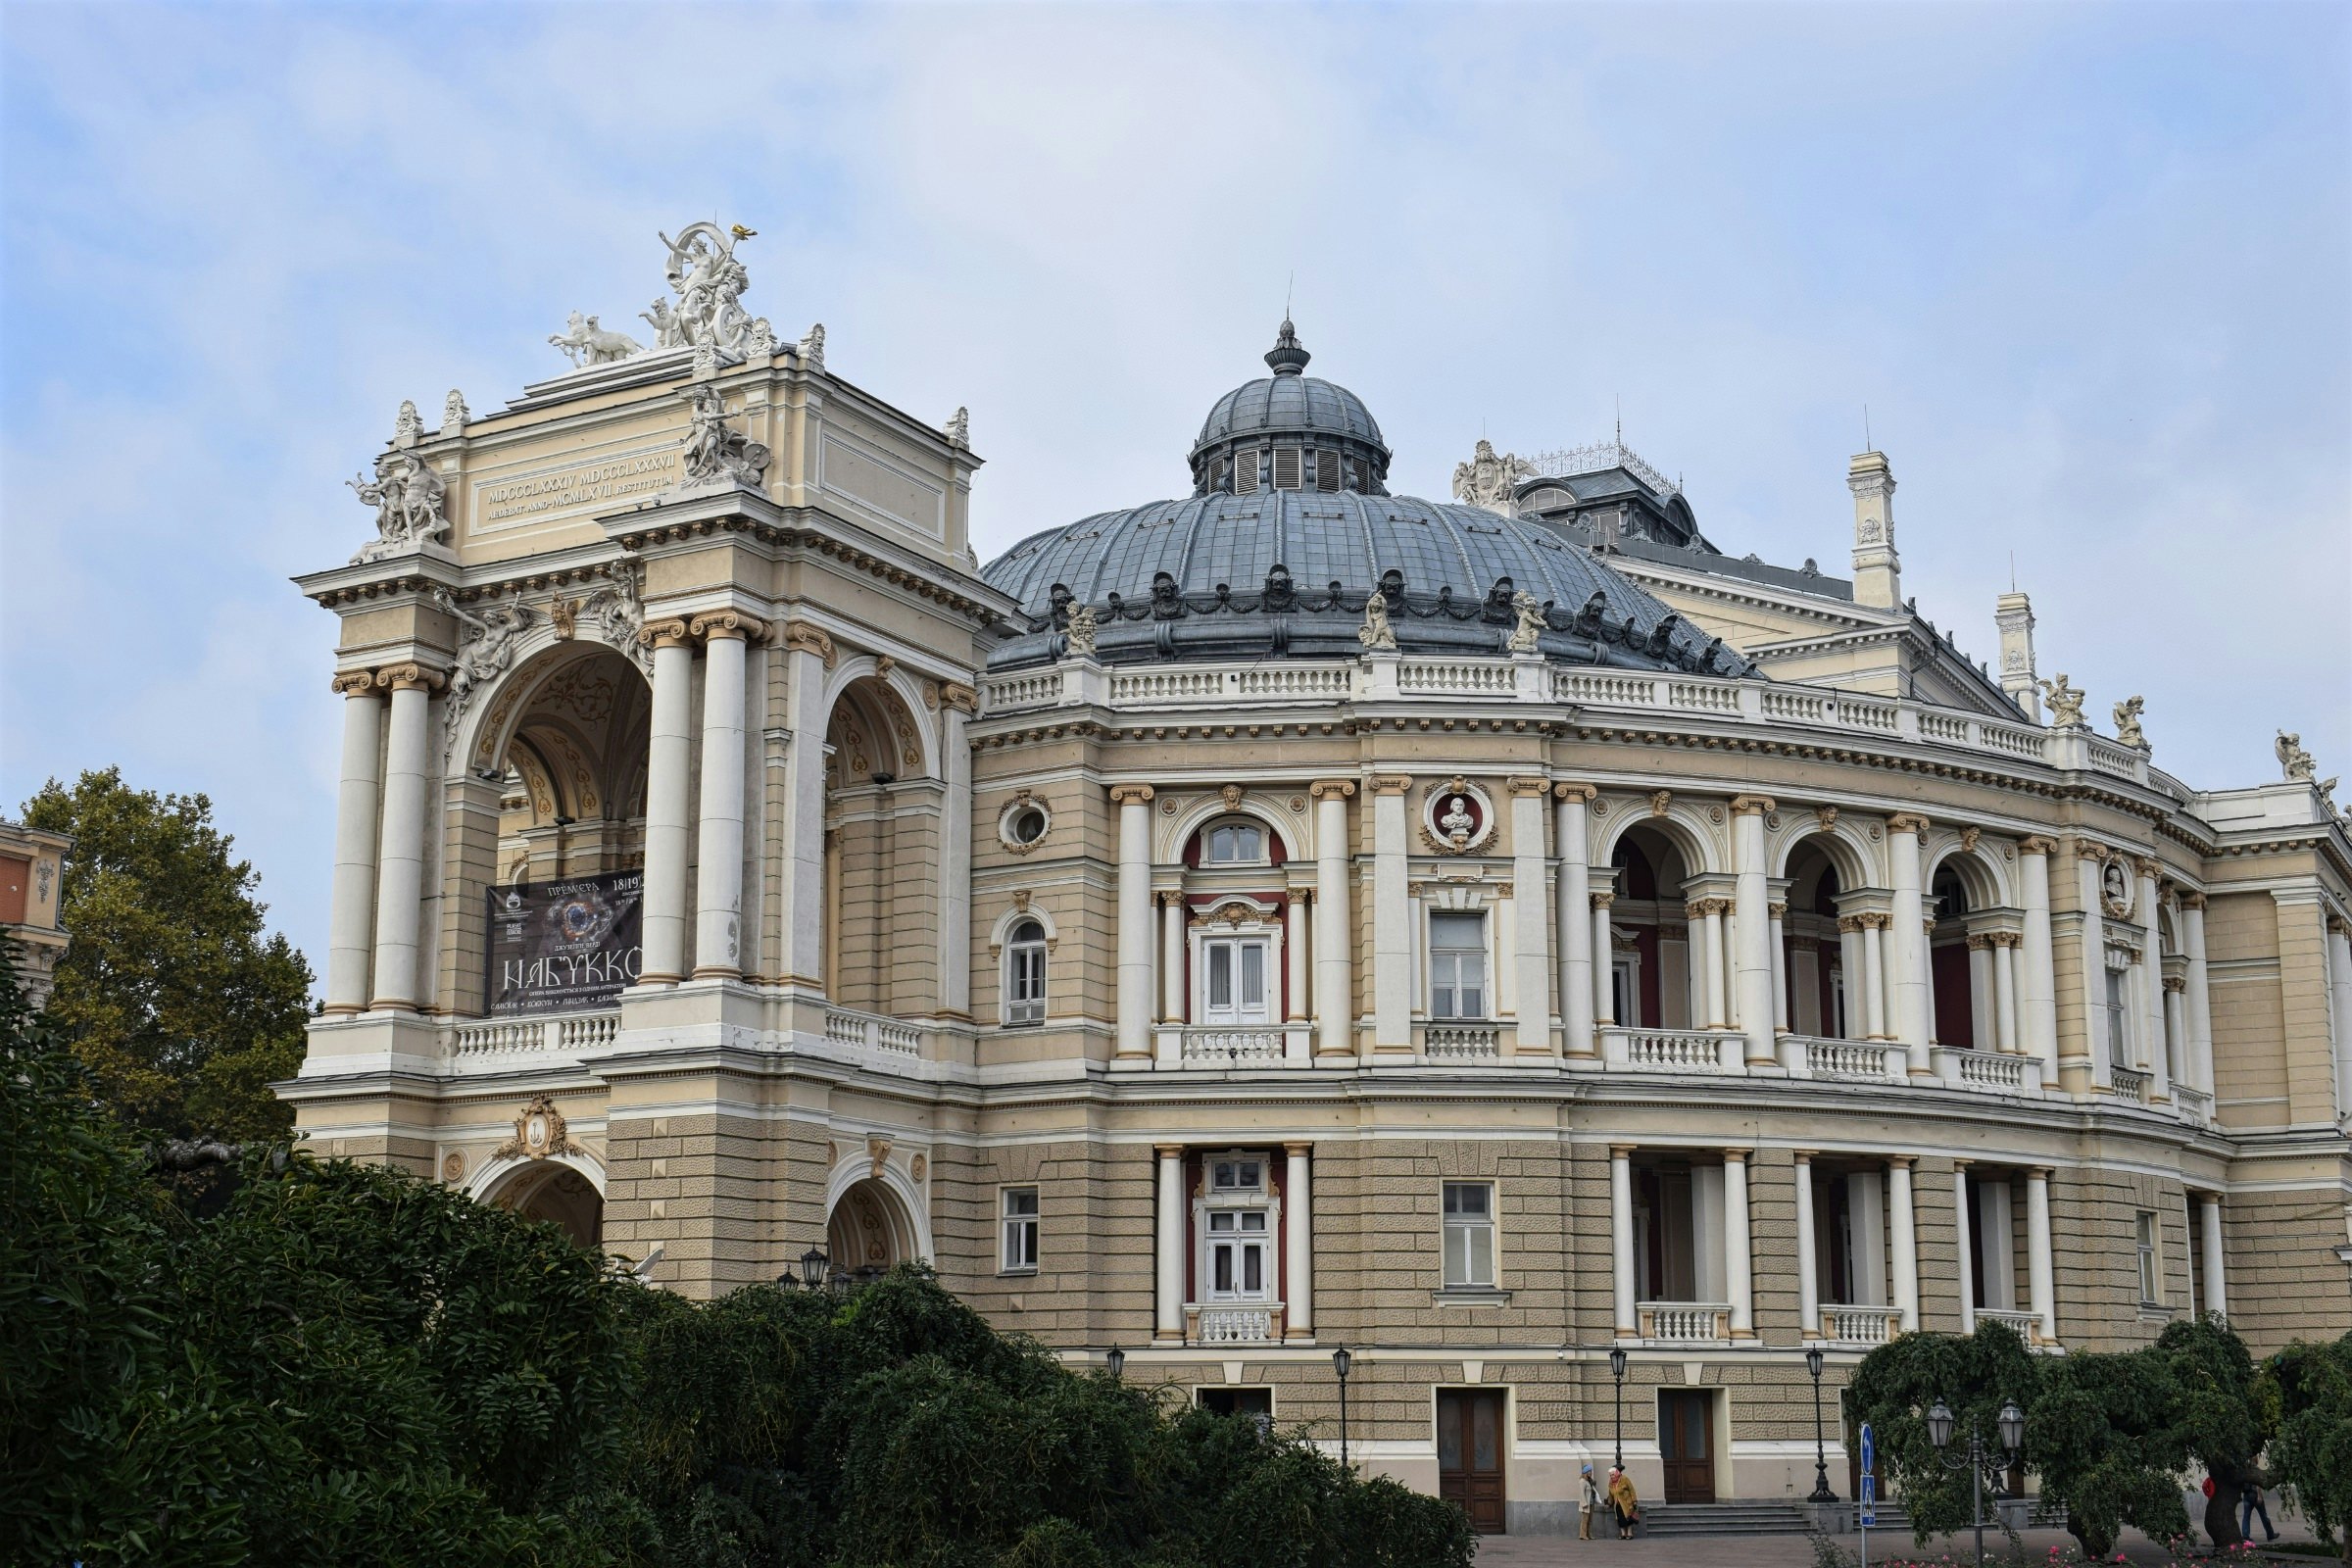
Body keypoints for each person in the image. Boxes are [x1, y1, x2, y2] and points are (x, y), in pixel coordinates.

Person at [2240, 1475, 2279, 1544]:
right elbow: (2258, 1485)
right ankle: (2270, 1534)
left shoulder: (2245, 1470)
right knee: (2263, 1516)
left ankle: (2245, 1535)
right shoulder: (2254, 1472)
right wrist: (2259, 1495)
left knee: (2246, 1516)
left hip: (2246, 1496)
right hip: (2255, 1495)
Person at [1607, 1465, 1640, 1540]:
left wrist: (1634, 1501)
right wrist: (1609, 1503)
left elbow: (1631, 1489)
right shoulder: (1611, 1483)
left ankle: (1629, 1533)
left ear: (1616, 1473)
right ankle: (1623, 1534)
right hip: (1617, 1504)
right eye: (1610, 1475)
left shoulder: (1624, 1479)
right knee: (1620, 1519)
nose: (1611, 1476)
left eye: (1613, 1474)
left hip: (1626, 1503)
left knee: (1628, 1518)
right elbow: (1610, 1494)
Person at [1579, 1463, 1599, 1541]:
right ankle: (1582, 1535)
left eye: (1591, 1471)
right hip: (1586, 1504)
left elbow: (1591, 1491)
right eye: (1589, 1471)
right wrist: (1584, 1503)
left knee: (1590, 1520)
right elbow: (1582, 1493)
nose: (1590, 1472)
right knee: (1585, 1520)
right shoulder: (1582, 1481)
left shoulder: (1589, 1481)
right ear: (1585, 1472)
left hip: (1591, 1503)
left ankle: (1589, 1534)